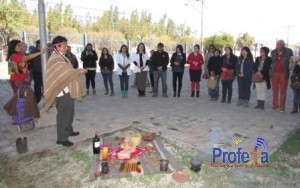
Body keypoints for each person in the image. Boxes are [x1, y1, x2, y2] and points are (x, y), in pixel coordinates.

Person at [45, 36, 87, 147]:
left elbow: (68, 72)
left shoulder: (62, 57)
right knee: (64, 114)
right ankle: (62, 138)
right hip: (61, 92)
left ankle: (68, 130)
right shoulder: (55, 59)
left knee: (70, 112)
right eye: (64, 46)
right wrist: (80, 71)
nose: (66, 48)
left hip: (67, 90)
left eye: (66, 45)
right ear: (57, 47)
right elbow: (65, 74)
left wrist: (77, 71)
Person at [270, 40, 293, 112]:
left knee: (283, 91)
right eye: (277, 44)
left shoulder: (288, 51)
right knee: (275, 90)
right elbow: (272, 62)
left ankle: (282, 107)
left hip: (284, 72)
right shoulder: (273, 52)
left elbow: (291, 60)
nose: (277, 46)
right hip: (274, 73)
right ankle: (275, 106)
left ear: (283, 45)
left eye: (279, 44)